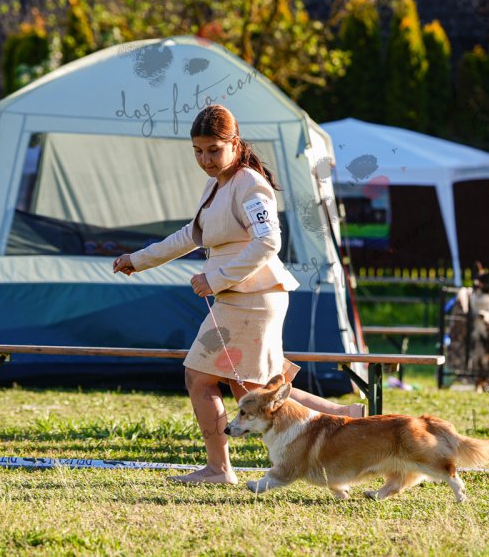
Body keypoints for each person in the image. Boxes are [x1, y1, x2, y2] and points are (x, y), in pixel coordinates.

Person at [113, 104, 363, 485]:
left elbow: (268, 242)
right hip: (242, 297)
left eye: (213, 150)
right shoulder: (218, 184)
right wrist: (138, 259)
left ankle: (219, 469)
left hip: (253, 299)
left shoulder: (250, 185)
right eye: (198, 151)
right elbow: (190, 235)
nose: (205, 159)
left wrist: (216, 279)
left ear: (234, 143)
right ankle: (348, 417)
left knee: (199, 377)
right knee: (254, 392)